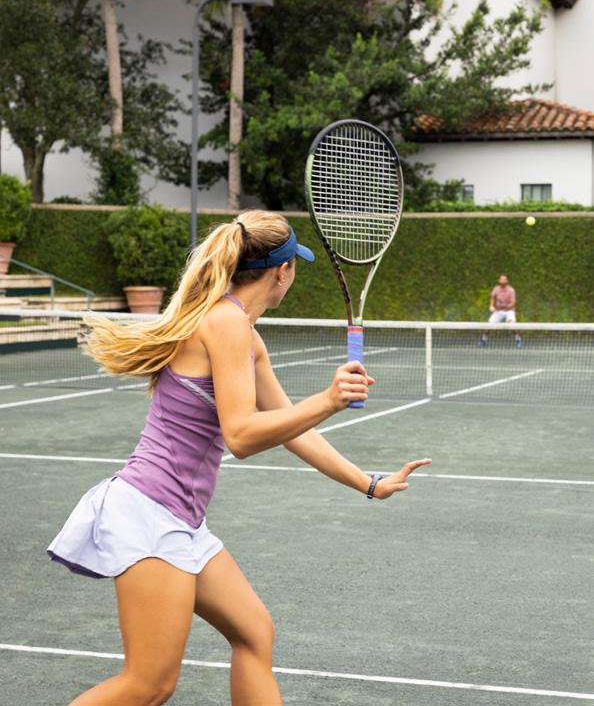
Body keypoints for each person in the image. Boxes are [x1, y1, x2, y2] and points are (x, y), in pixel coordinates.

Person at [46, 210, 431, 706]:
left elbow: (291, 428)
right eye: (295, 266)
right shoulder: (226, 323)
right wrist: (328, 400)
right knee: (149, 683)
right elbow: (242, 437)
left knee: (254, 632)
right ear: (282, 272)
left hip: (180, 519)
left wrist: (367, 482)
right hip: (149, 513)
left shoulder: (242, 331)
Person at [479, 273, 523, 347]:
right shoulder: (496, 289)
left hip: (509, 311)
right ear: (499, 280)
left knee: (512, 325)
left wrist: (504, 307)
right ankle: (483, 339)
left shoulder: (511, 290)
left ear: (507, 281)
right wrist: (491, 306)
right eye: (501, 279)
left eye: (503, 279)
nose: (502, 280)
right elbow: (492, 298)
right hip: (498, 311)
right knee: (489, 325)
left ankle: (518, 339)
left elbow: (513, 303)